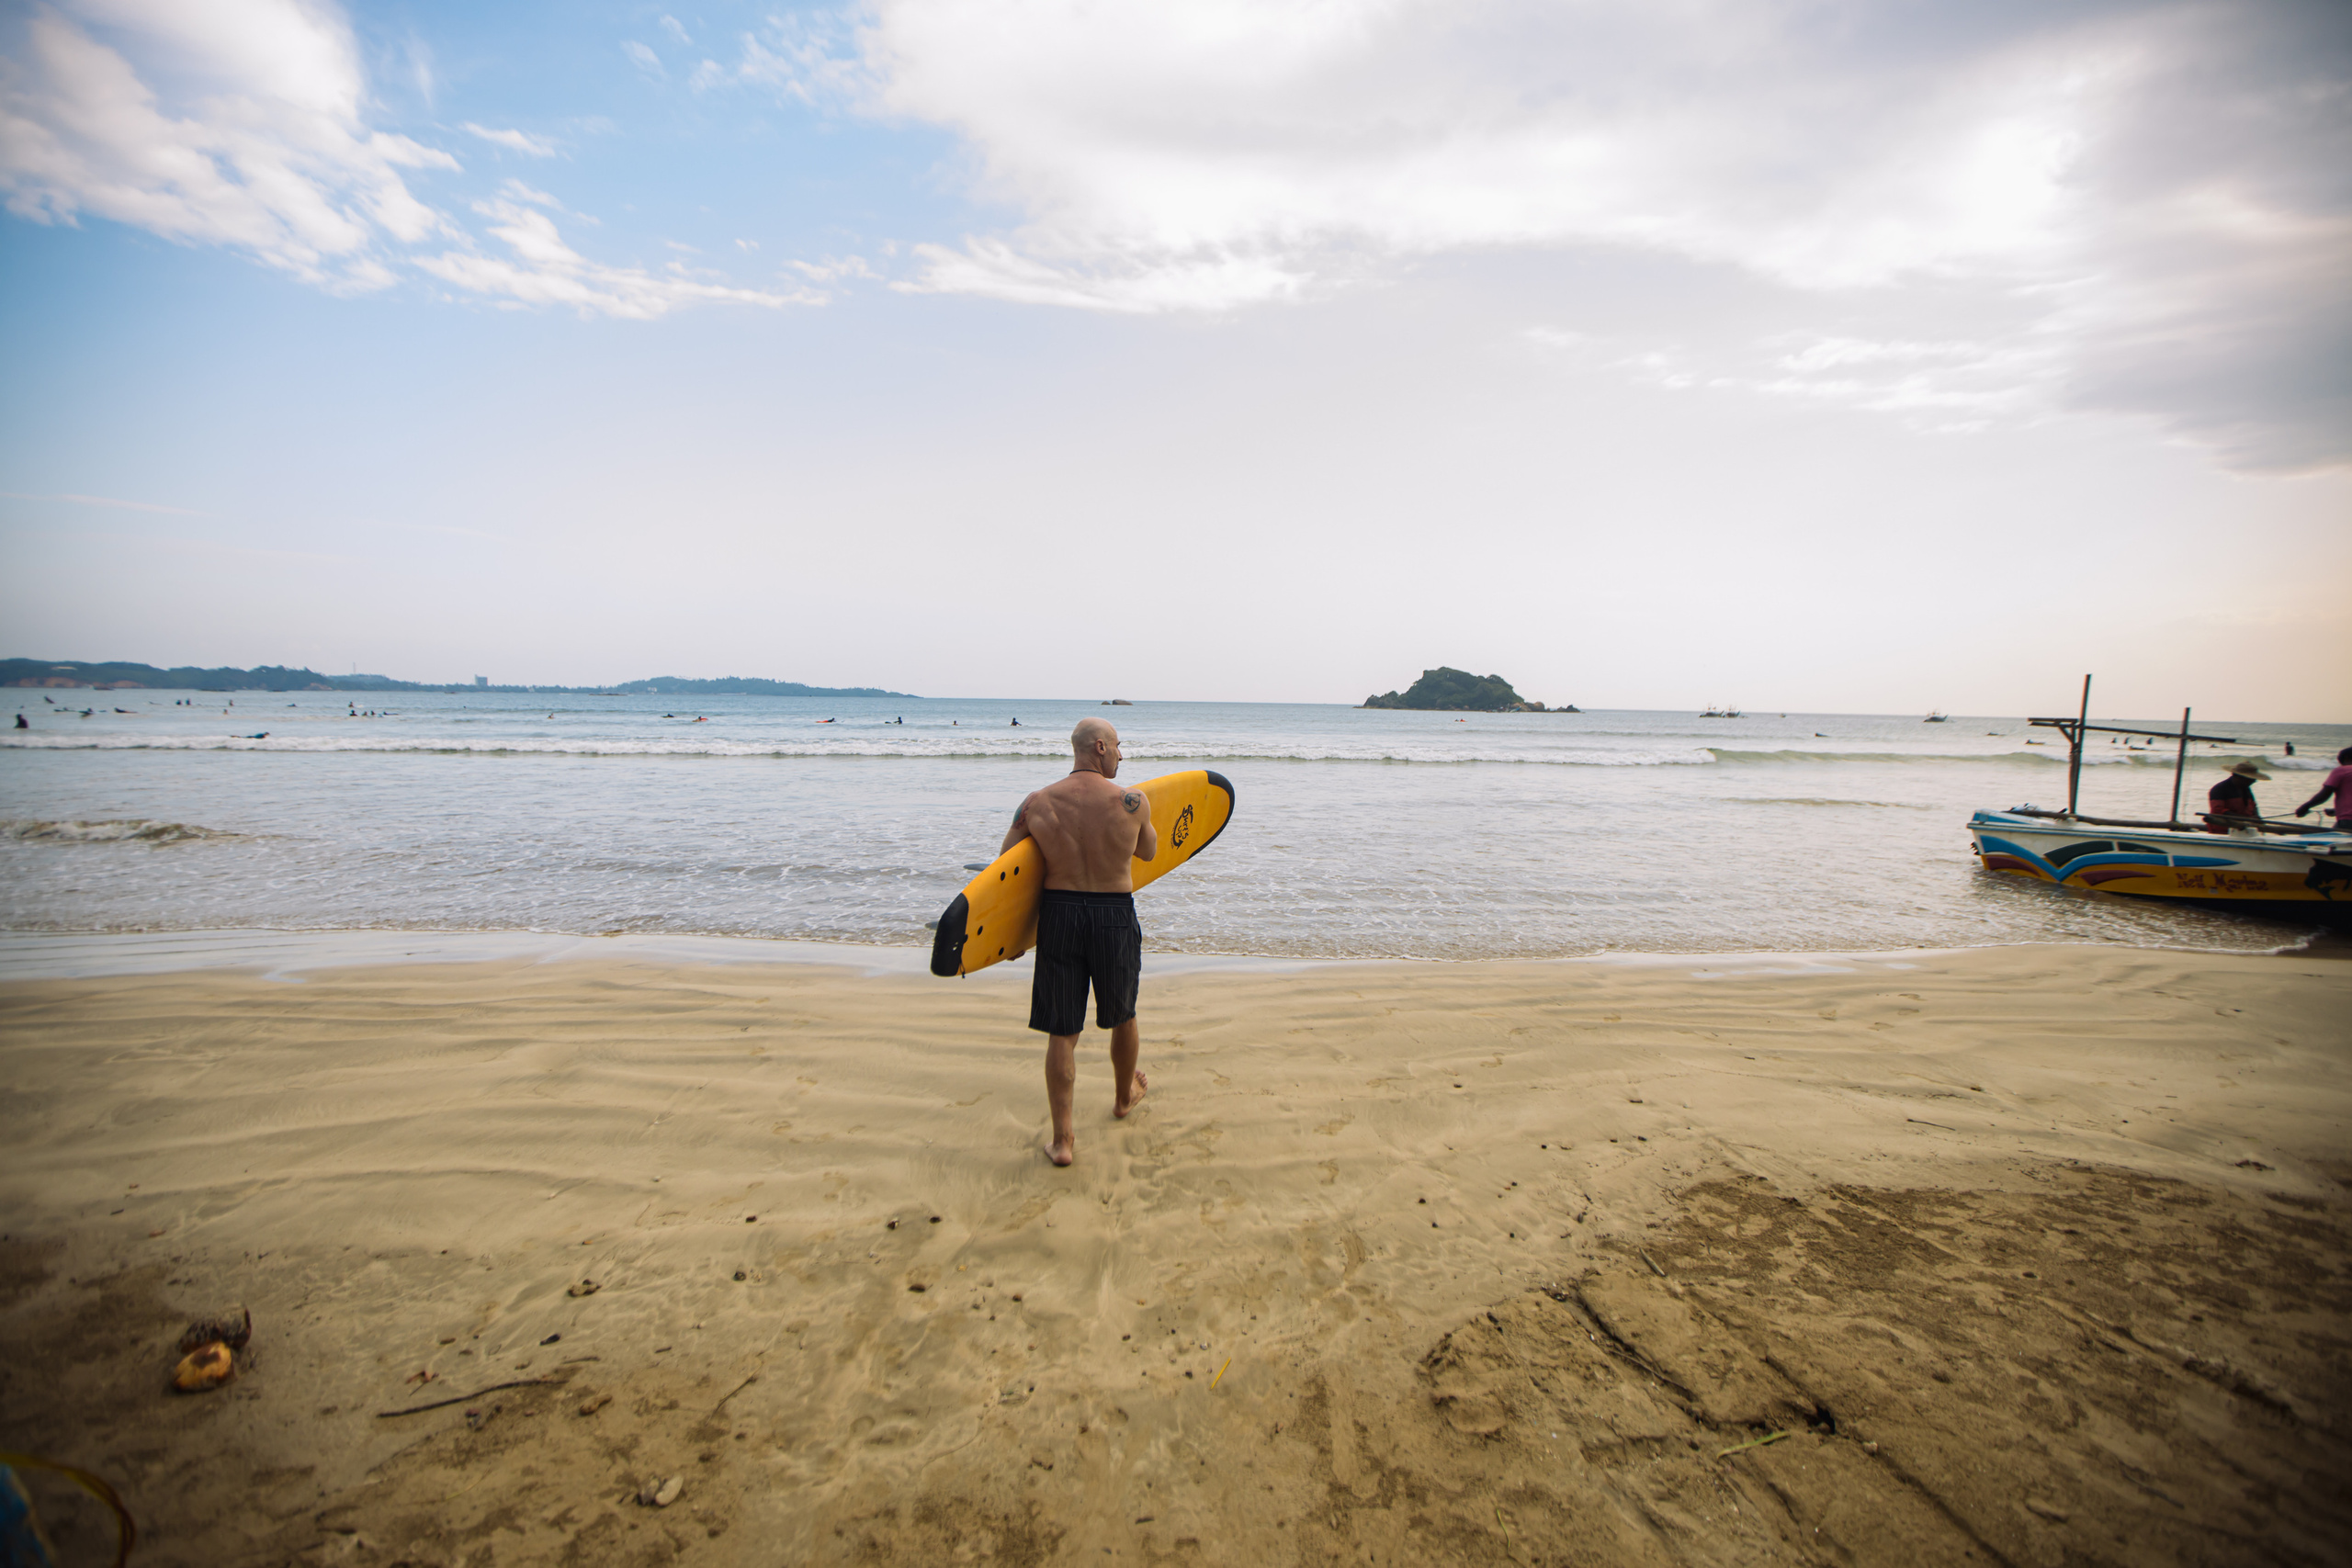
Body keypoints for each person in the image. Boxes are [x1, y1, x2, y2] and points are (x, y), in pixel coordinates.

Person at [1000, 718, 1157, 1167]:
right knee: (1123, 1014)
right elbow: (1148, 852)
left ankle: (1063, 1141)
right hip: (1113, 915)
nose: (1123, 757)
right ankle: (1124, 1096)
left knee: (1062, 1031)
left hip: (1060, 914)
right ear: (1101, 748)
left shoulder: (1037, 803)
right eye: (1120, 748)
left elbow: (1007, 869)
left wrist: (1014, 937)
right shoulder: (1132, 801)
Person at [2294, 747, 2352, 830]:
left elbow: (2325, 794)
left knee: (2334, 839)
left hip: (2348, 820)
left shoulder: (2342, 770)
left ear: (2346, 759)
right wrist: (2336, 811)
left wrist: (2305, 807)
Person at [2205, 760, 2269, 832]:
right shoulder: (2219, 789)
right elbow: (2218, 811)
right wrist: (2246, 819)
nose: (2254, 781)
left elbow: (2253, 806)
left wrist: (2256, 817)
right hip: (2223, 830)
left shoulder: (2246, 789)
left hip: (2244, 829)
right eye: (2250, 779)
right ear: (2239, 777)